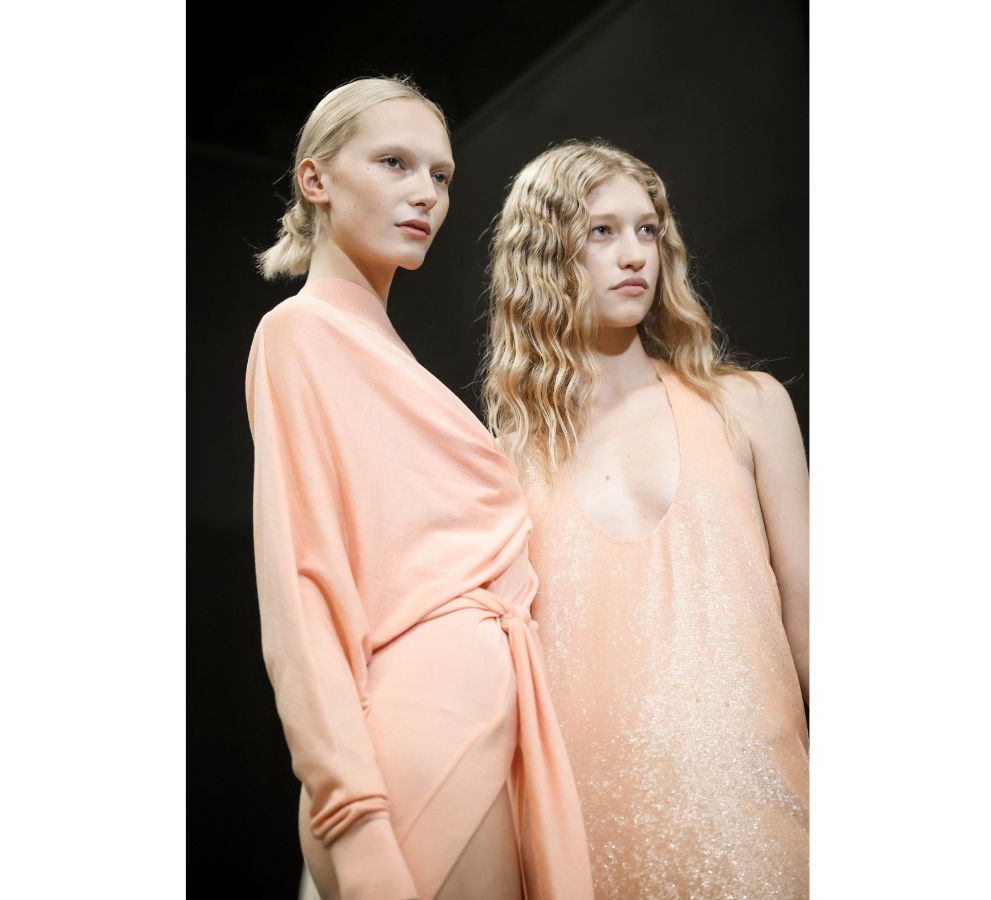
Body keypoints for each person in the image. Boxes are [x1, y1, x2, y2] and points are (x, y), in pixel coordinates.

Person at [245, 78, 593, 900]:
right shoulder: (300, 333)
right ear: (316, 179)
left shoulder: (383, 351)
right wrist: (350, 810)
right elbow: (300, 588)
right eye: (394, 163)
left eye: (441, 175)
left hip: (481, 712)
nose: (425, 194)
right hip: (425, 726)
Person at [482, 140, 809, 898]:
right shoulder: (503, 466)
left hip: (761, 824)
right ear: (543, 255)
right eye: (601, 232)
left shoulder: (748, 407)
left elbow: (812, 632)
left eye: (647, 229)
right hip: (590, 844)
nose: (634, 254)